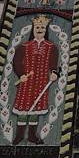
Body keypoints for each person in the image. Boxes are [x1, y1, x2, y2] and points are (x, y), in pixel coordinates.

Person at [12, 14, 58, 144]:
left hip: (41, 82)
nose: (39, 30)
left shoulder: (51, 47)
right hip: (26, 82)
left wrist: (54, 73)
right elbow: (16, 62)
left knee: (35, 110)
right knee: (23, 108)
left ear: (45, 30)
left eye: (42, 28)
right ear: (33, 29)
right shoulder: (24, 47)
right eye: (37, 27)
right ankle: (19, 135)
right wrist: (21, 74)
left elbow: (53, 64)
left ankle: (32, 136)